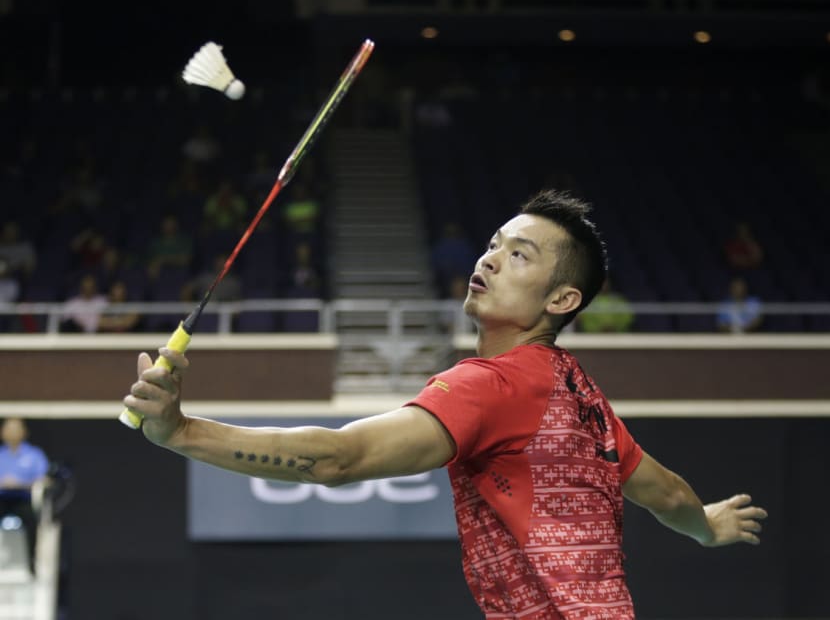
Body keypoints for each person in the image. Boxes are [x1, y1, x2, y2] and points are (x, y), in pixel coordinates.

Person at [124, 189, 767, 619]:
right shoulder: (579, 396)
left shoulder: (493, 385)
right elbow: (669, 494)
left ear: (562, 300)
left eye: (520, 256)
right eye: (494, 244)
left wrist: (181, 431)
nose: (490, 258)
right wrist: (707, 526)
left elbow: (337, 460)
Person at [0, 417, 50, 574]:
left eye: (16, 428)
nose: (12, 432)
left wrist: (20, 484)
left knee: (32, 520)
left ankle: (32, 563)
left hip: (24, 499)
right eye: (8, 428)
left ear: (24, 432)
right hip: (1, 498)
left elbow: (44, 480)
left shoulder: (34, 454)